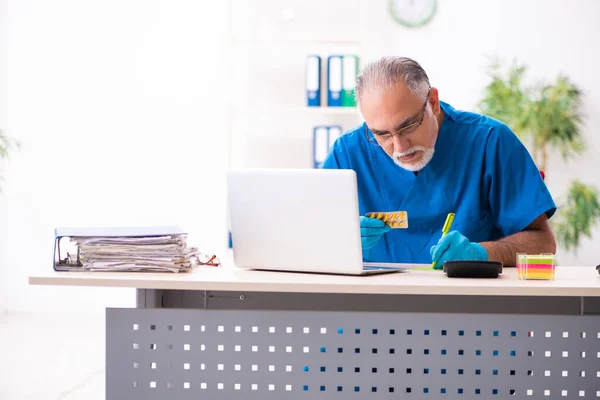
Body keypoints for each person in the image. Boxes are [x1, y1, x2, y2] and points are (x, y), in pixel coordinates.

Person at [321, 56, 557, 268]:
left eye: (408, 126)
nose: (400, 147)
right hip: (370, 303)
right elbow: (308, 238)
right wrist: (340, 238)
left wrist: (480, 253)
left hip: (468, 300)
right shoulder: (348, 154)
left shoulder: (490, 142)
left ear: (433, 102)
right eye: (381, 134)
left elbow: (543, 243)